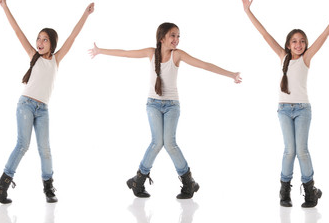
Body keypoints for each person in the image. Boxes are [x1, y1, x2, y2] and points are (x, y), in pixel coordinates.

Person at [89, 22, 242, 199]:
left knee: (169, 143)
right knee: (157, 142)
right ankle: (139, 181)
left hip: (172, 106)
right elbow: (125, 53)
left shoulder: (177, 55)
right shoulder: (149, 53)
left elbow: (204, 65)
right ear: (162, 38)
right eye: (172, 35)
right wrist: (100, 51)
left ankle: (186, 182)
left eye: (178, 36)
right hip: (153, 104)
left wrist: (231, 74)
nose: (176, 39)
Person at [241, 0, 329, 207]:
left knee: (301, 150)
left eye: (302, 41)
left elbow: (325, 33)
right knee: (289, 150)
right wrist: (248, 11)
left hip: (303, 110)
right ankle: (284, 192)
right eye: (294, 41)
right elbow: (264, 33)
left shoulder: (307, 58)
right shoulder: (283, 57)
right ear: (288, 44)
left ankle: (310, 191)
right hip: (284, 110)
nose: (299, 44)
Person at [0, 0, 94, 204]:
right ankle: (2, 185)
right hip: (25, 105)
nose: (39, 42)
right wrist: (4, 7)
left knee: (45, 149)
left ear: (52, 43)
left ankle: (48, 188)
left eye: (44, 39)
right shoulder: (33, 55)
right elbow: (17, 31)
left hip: (43, 109)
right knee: (22, 144)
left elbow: (73, 36)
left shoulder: (56, 59)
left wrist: (85, 14)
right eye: (38, 39)